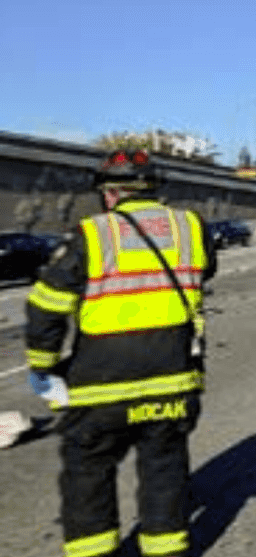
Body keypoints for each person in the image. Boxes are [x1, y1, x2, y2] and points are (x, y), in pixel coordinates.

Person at [25, 148, 216, 557]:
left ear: (110, 194)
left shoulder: (92, 234)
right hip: (171, 380)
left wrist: (42, 365)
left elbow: (47, 307)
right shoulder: (190, 228)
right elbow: (205, 271)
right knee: (164, 473)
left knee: (88, 477)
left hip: (100, 388)